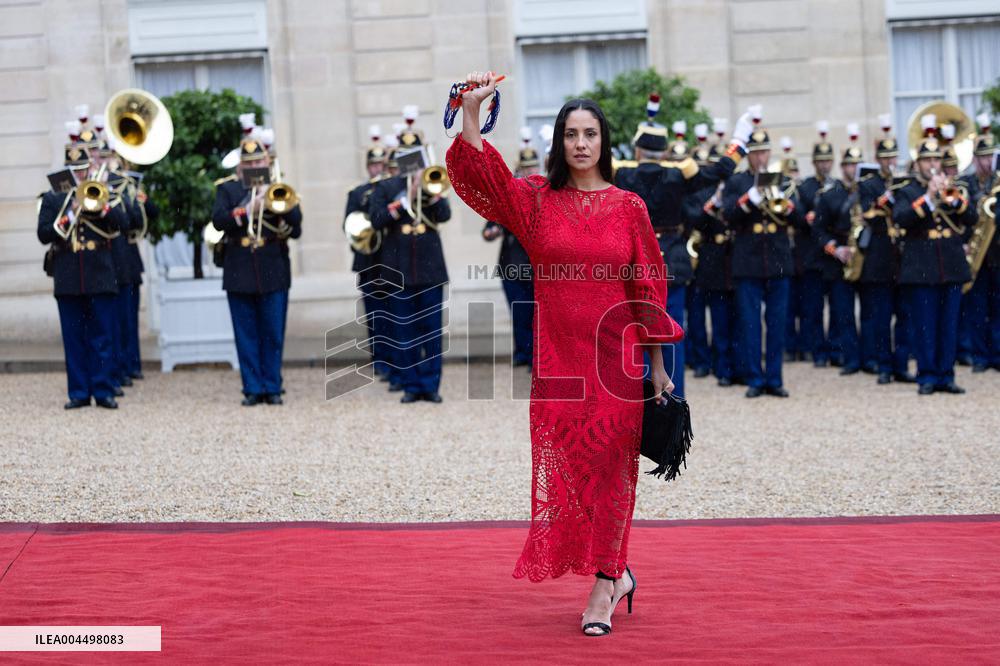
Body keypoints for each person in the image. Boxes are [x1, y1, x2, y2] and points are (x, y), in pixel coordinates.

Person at [446, 71, 681, 637]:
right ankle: (617, 570)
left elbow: (648, 287)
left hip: (616, 358)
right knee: (571, 467)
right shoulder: (535, 201)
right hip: (557, 359)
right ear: (559, 142)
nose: (580, 144)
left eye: (591, 134)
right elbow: (484, 177)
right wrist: (472, 111)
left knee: (612, 470)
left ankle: (604, 583)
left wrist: (656, 368)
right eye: (571, 134)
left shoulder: (629, 208)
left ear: (605, 142)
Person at [613, 96, 751, 398]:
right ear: (663, 150)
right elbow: (721, 170)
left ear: (637, 149)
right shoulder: (678, 174)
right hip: (672, 259)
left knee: (637, 331)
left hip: (633, 260)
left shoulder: (622, 173)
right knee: (672, 330)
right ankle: (674, 398)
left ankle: (642, 400)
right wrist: (739, 141)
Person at [37, 121, 129, 409]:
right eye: (74, 171)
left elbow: (124, 224)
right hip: (67, 272)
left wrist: (102, 208)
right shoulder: (53, 199)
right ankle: (78, 392)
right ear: (67, 170)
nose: (79, 176)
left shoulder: (103, 192)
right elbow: (43, 234)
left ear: (90, 168)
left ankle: (103, 390)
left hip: (100, 271)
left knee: (102, 335)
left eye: (83, 170)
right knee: (74, 337)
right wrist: (70, 213)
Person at [212, 131, 303, 405]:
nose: (253, 168)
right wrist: (248, 209)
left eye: (257, 163)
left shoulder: (278, 186)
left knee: (273, 332)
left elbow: (296, 225)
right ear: (240, 166)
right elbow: (218, 220)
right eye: (248, 164)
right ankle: (252, 388)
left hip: (273, 267)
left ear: (266, 162)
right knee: (246, 333)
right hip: (239, 267)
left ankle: (272, 386)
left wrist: (274, 201)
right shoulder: (227, 189)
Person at [369, 109, 452, 403]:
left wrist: (432, 192)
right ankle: (412, 385)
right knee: (403, 331)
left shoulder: (433, 185)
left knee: (431, 330)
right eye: (406, 155)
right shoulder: (387, 187)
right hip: (397, 267)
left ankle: (431, 385)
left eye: (415, 154)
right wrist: (406, 197)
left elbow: (445, 215)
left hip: (430, 267)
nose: (411, 160)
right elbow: (377, 219)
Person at [722, 115, 805, 397]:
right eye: (754, 152)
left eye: (763, 152)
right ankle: (754, 378)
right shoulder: (737, 182)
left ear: (770, 153)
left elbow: (803, 221)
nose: (759, 157)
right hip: (748, 260)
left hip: (779, 258)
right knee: (749, 322)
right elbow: (729, 216)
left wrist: (788, 204)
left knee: (778, 322)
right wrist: (752, 198)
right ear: (748, 155)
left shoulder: (783, 180)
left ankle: (774, 378)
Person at [892, 122, 975, 394]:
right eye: (926, 159)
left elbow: (971, 218)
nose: (931, 164)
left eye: (935, 159)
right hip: (921, 265)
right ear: (917, 163)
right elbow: (901, 219)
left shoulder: (953, 187)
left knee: (949, 324)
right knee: (925, 324)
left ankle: (946, 375)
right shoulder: (907, 190)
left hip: (950, 264)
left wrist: (953, 200)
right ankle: (927, 375)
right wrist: (928, 197)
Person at [856, 115, 915, 384]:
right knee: (881, 316)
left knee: (904, 315)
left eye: (893, 157)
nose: (890, 162)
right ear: (878, 160)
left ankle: (901, 364)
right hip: (879, 253)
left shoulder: (905, 183)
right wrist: (886, 197)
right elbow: (868, 214)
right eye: (886, 158)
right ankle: (883, 365)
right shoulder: (868, 184)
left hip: (902, 256)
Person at [482, 126, 538, 368]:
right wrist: (494, 230)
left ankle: (536, 357)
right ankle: (522, 353)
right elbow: (488, 230)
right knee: (519, 312)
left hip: (536, 265)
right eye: (526, 168)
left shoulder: (543, 194)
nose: (530, 172)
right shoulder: (507, 196)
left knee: (537, 314)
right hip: (512, 264)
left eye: (533, 167)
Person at [814, 126, 863, 376]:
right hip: (839, 259)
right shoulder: (829, 195)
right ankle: (850, 358)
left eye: (857, 165)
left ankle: (870, 357)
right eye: (848, 165)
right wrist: (836, 249)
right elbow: (818, 231)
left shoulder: (868, 192)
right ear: (842, 167)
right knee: (842, 313)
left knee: (871, 312)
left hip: (865, 258)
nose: (852, 169)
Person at [345, 125, 391, 380]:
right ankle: (380, 361)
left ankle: (397, 361)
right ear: (368, 167)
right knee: (375, 315)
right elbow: (349, 225)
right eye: (374, 165)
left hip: (393, 260)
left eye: (381, 164)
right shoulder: (358, 193)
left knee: (397, 313)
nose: (378, 169)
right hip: (369, 262)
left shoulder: (393, 189)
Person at [958, 118, 999, 372]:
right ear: (974, 159)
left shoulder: (999, 183)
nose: (986, 162)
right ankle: (979, 355)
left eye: (989, 157)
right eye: (981, 157)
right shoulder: (966, 184)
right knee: (976, 306)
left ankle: (996, 354)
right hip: (975, 252)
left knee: (997, 307)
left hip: (997, 252)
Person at [796, 123, 836, 366]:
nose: (824, 164)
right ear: (814, 162)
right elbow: (802, 218)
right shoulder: (806, 187)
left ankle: (834, 349)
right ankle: (817, 350)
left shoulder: (838, 186)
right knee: (813, 309)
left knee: (838, 308)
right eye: (820, 161)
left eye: (828, 160)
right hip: (811, 255)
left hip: (830, 256)